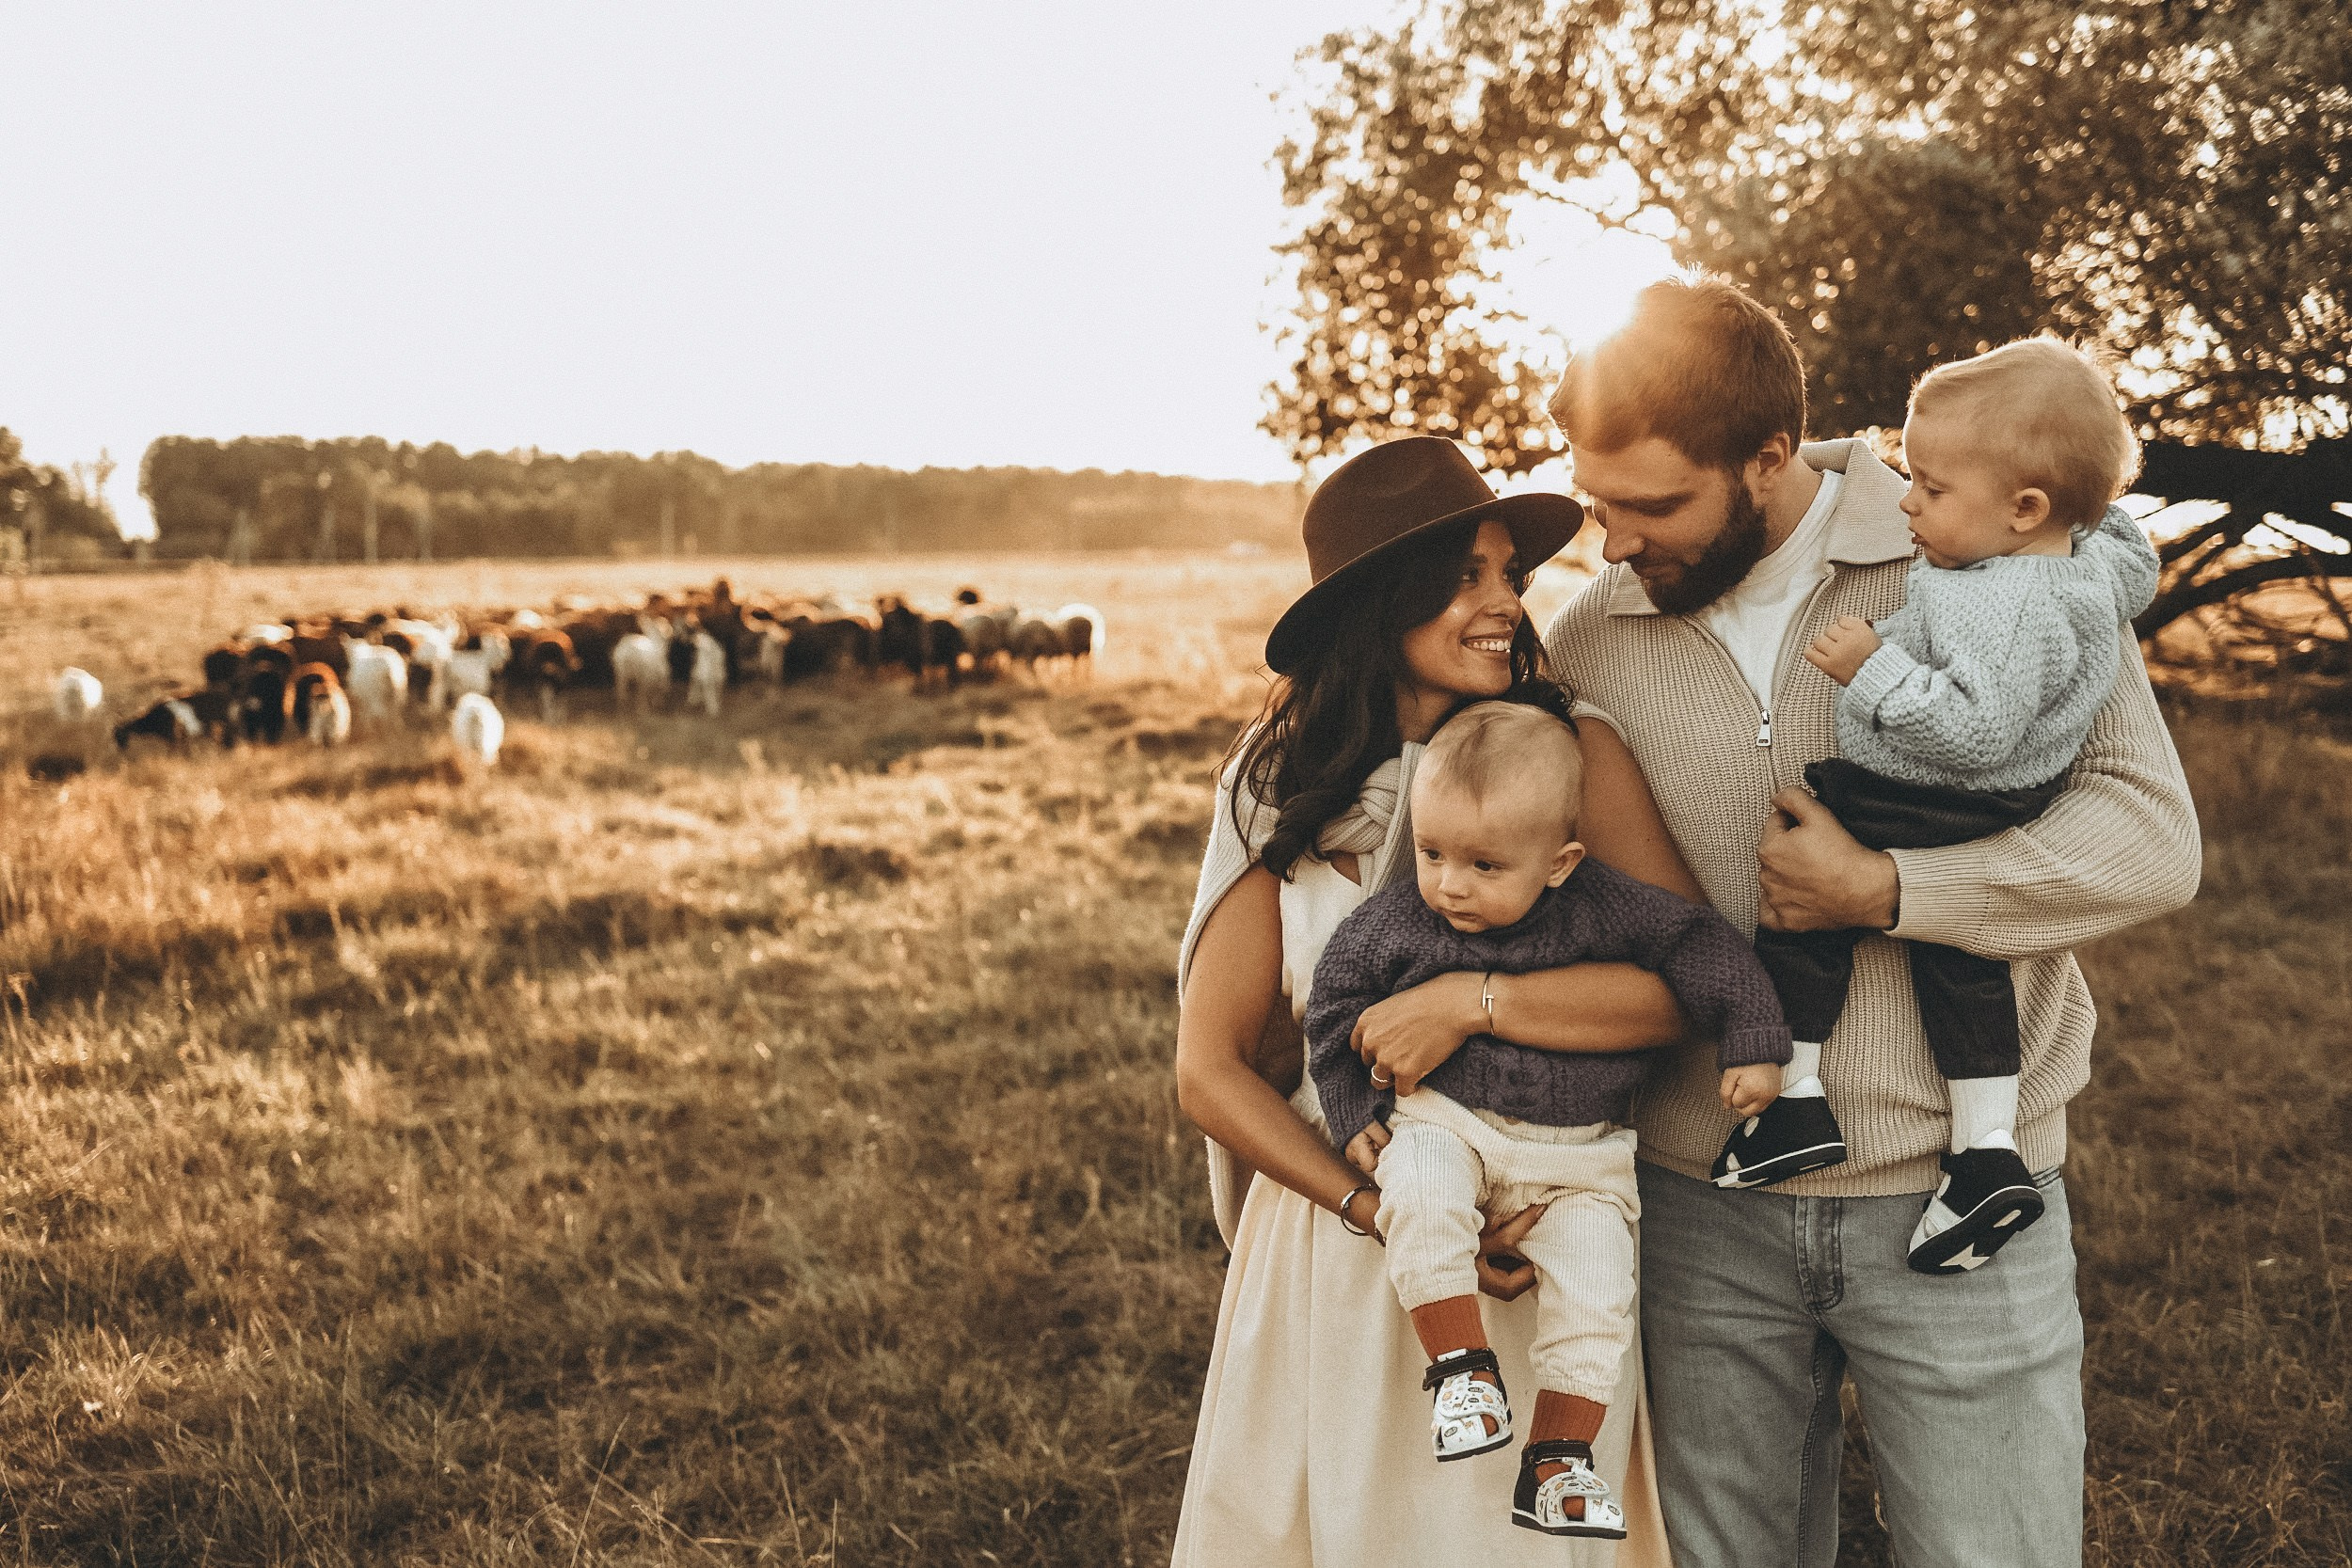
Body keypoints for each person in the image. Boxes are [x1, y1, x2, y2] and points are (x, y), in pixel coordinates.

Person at [1543, 277, 2201, 1568]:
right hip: (1697, 1204)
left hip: (1954, 1202)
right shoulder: (1592, 636)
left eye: (1656, 504)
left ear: (1771, 457)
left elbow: (2151, 837)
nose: (1615, 542)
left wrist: (1897, 893)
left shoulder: (1989, 546)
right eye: (1595, 504)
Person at [1171, 435, 1702, 1566]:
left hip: (1537, 1229)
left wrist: (1472, 999)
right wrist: (1374, 1213)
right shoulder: (1276, 782)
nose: (1505, 602)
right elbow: (1209, 1069)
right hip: (1342, 1248)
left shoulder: (1569, 752)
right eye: (1467, 575)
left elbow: (1678, 986)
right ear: (1381, 601)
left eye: (1507, 573)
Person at [1716, 339, 2161, 1279]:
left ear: (2024, 509)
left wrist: (1866, 667)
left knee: (1803, 880)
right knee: (1963, 965)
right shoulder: (2085, 569)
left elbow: (1973, 726)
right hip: (2001, 808)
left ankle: (1792, 1092)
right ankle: (1985, 1150)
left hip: (1936, 790)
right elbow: (2109, 557)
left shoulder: (1997, 598)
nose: (1907, 500)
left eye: (1932, 486)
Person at [1303, 699, 1791, 1539]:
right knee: (1416, 1195)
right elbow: (1334, 1006)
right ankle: (1461, 1369)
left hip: (1584, 1155)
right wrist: (1353, 1107)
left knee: (1600, 1291)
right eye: (1431, 853)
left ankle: (1558, 1462)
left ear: (1561, 861)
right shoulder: (1398, 921)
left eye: (1486, 864)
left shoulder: (1603, 906)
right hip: (1449, 1122)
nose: (1450, 882)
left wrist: (1753, 1039)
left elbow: (1698, 944)